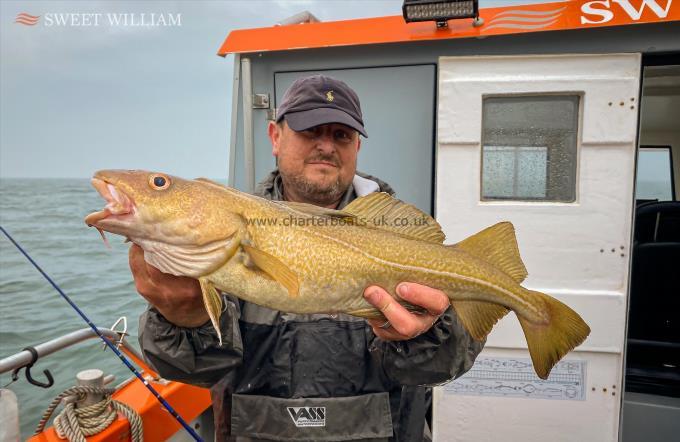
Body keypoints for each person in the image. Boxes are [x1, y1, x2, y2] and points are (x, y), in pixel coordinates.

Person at [131, 75, 484, 442]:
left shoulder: (397, 233)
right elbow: (196, 370)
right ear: (275, 137)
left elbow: (445, 364)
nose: (326, 146)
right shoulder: (230, 229)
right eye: (310, 130)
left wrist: (427, 335)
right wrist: (183, 319)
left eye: (341, 135)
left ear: (357, 146)